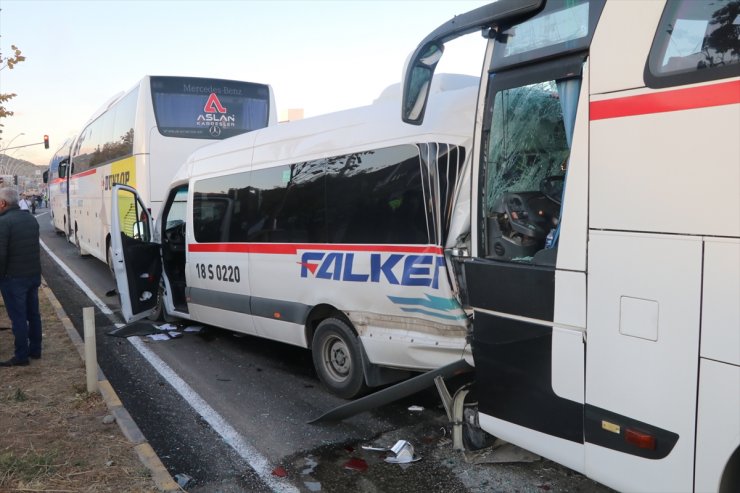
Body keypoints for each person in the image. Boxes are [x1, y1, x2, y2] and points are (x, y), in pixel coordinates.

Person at [0, 188, 42, 366]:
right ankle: (36, 350)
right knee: (33, 314)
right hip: (32, 275)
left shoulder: (3, 222)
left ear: (3, 203)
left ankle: (21, 356)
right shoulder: (30, 219)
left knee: (18, 317)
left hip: (13, 278)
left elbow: (1, 254)